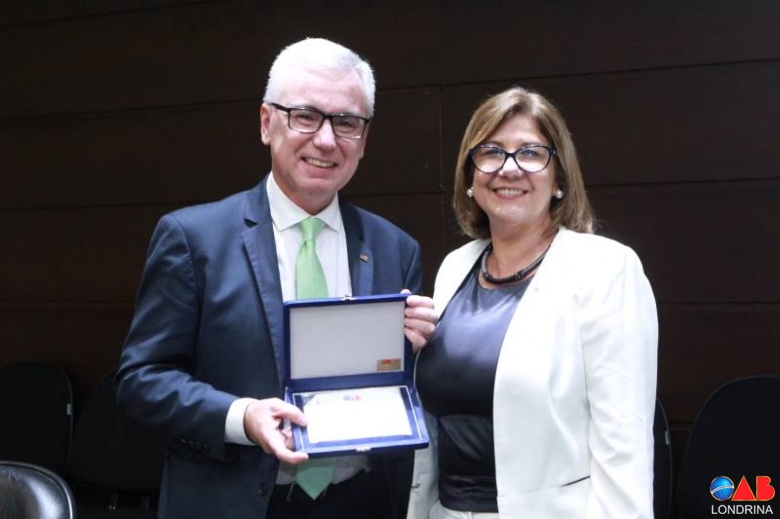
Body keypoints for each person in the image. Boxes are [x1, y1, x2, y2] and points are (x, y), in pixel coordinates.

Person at [115, 37, 437, 519]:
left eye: (346, 122)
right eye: (305, 116)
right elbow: (141, 379)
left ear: (364, 139)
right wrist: (241, 417)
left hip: (362, 501)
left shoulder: (395, 248)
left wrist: (417, 349)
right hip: (235, 502)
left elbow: (394, 387)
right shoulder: (193, 239)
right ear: (267, 123)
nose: (325, 140)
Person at [407, 86, 658, 519]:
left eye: (530, 153)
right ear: (470, 177)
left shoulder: (605, 268)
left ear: (558, 178)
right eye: (491, 152)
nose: (509, 168)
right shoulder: (455, 267)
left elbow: (624, 443)